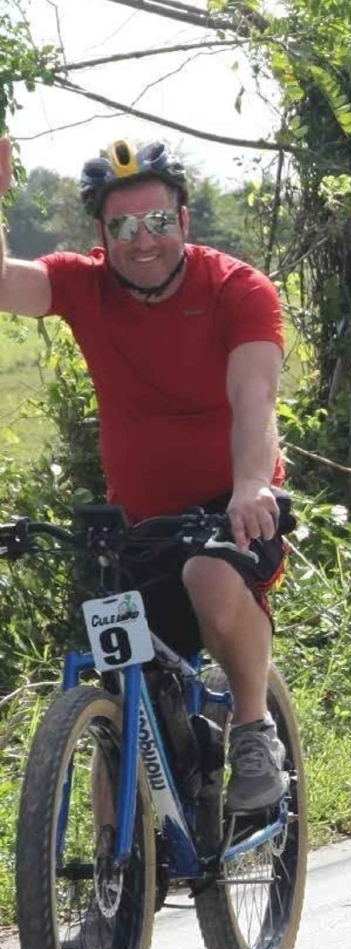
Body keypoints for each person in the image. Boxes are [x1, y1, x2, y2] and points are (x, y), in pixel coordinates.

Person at [0, 136, 292, 811]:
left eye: (158, 222)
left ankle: (252, 722)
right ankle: (117, 885)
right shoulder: (84, 284)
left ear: (184, 222)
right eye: (123, 226)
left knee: (208, 574)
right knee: (121, 690)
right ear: (101, 234)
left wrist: (251, 484)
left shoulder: (237, 289)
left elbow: (255, 399)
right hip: (138, 521)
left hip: (233, 506)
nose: (142, 240)